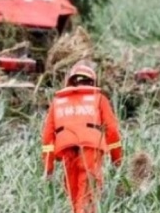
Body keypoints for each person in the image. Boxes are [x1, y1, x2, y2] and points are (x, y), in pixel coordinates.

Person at [41, 64, 123, 213]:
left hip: (67, 149)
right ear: (92, 82)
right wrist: (117, 160)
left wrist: (48, 167)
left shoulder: (57, 102)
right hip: (91, 149)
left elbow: (47, 137)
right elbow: (112, 131)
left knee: (74, 196)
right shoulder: (99, 99)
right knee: (87, 195)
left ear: (70, 82)